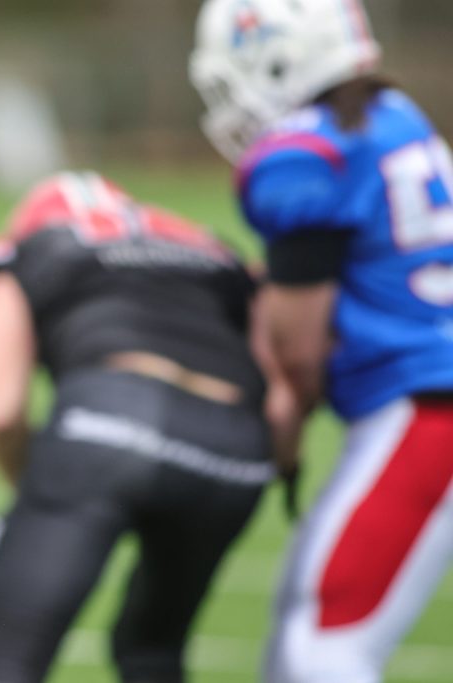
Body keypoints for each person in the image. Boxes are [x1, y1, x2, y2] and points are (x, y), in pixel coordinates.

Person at [190, 1, 453, 681]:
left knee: (322, 644)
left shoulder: (302, 155)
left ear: (281, 58)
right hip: (426, 396)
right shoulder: (395, 117)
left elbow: (300, 350)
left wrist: (285, 418)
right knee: (302, 627)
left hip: (425, 409)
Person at [0, 171, 293, 683]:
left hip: (110, 419)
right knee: (152, 651)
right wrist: (277, 464)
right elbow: (281, 393)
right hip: (234, 450)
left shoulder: (19, 254)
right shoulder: (211, 250)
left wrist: (38, 488)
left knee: (10, 654)